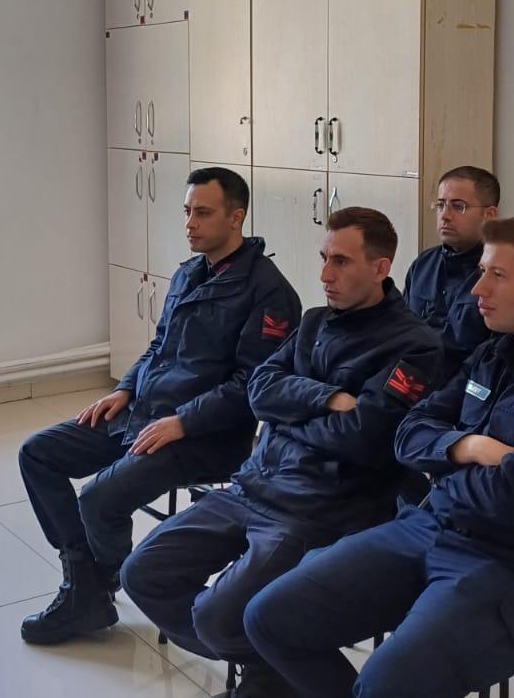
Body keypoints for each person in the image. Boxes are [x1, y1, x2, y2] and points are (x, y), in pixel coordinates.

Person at [244, 214, 514, 698]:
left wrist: (442, 473)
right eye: (482, 271)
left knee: (386, 685)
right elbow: (407, 434)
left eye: (497, 275)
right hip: (430, 529)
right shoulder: (495, 354)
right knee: (269, 618)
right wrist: (465, 447)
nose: (477, 289)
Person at [121, 207, 443, 697]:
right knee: (143, 574)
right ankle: (272, 670)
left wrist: (290, 414)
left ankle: (276, 672)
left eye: (341, 261)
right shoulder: (314, 322)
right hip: (254, 484)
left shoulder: (415, 346)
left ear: (381, 268)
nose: (325, 275)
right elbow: (259, 390)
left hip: (317, 507)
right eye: (324, 258)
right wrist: (327, 399)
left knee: (216, 618)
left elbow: (362, 436)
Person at [17, 167, 301, 644]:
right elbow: (159, 346)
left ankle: (93, 589)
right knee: (38, 453)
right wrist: (125, 389)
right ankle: (85, 583)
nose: (190, 223)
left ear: (236, 218)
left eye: (203, 213)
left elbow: (253, 385)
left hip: (204, 436)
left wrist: (183, 422)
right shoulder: (190, 272)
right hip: (144, 411)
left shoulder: (269, 292)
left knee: (99, 499)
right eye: (187, 211)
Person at [404, 165, 499, 383]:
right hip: (408, 380)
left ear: (489, 215)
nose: (445, 216)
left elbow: (493, 359)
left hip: (463, 388)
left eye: (458, 207)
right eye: (440, 205)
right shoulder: (423, 264)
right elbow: (399, 330)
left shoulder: (498, 274)